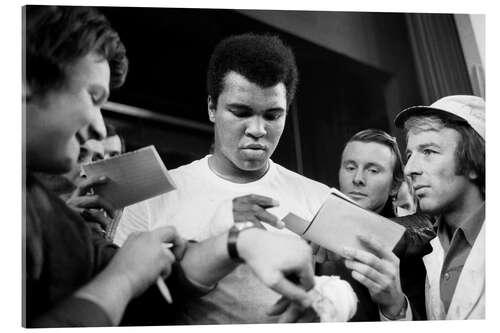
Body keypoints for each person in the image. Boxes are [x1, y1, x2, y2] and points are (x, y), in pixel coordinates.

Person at [24, 7, 317, 327]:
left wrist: (237, 242)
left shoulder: (47, 213)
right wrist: (124, 277)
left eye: (272, 115)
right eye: (93, 97)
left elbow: (151, 278)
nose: (99, 126)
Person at [115, 33, 348, 324]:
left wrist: (337, 299)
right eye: (241, 112)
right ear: (212, 108)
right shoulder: (154, 196)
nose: (258, 129)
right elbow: (124, 304)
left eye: (273, 116)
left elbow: (359, 288)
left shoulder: (318, 199)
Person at [394, 95, 485, 320]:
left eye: (428, 152)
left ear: (474, 161)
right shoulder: (432, 244)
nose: (409, 169)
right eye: (409, 154)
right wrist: (393, 304)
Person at [329, 128, 433, 320]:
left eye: (373, 170)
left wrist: (395, 307)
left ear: (395, 186)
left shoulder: (414, 254)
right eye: (350, 167)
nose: (357, 179)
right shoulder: (317, 234)